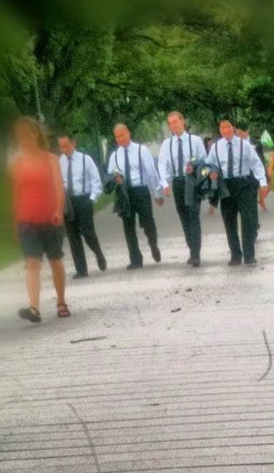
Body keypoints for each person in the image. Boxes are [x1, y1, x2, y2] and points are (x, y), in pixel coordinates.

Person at [10, 117, 69, 323]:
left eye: (26, 134)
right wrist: (16, 221)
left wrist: (58, 210)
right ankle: (34, 307)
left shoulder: (51, 159)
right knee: (32, 263)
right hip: (27, 219)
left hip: (50, 218)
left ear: (35, 134)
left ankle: (61, 302)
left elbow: (59, 188)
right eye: (19, 136)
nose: (23, 139)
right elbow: (16, 193)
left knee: (55, 260)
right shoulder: (17, 163)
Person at [207, 119, 269, 266]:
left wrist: (263, 182)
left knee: (248, 220)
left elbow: (257, 164)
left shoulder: (244, 145)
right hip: (226, 186)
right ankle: (235, 255)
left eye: (228, 126)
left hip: (244, 184)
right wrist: (211, 172)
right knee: (229, 222)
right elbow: (208, 165)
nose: (225, 130)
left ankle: (249, 255)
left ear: (233, 127)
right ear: (220, 130)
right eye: (222, 127)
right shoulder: (216, 147)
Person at [106, 124, 164, 268]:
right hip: (125, 193)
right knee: (128, 227)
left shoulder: (141, 150)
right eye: (117, 137)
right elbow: (111, 172)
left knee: (147, 222)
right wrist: (116, 177)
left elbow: (151, 172)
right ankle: (135, 259)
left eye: (122, 135)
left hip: (141, 191)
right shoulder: (115, 155)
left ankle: (153, 245)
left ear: (128, 134)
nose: (120, 139)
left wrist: (156, 193)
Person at [158, 111, 208, 266]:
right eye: (170, 123)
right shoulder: (167, 144)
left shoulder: (195, 141)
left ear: (182, 122)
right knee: (184, 216)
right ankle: (192, 248)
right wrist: (165, 184)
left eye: (175, 121)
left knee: (193, 215)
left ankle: (195, 254)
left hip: (192, 181)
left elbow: (205, 162)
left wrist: (198, 173)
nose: (173, 125)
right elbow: (162, 164)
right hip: (178, 181)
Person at [57, 133, 106, 277]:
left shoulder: (86, 160)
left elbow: (96, 182)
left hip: (83, 199)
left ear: (73, 143)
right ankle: (81, 269)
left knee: (88, 232)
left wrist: (92, 198)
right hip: (68, 202)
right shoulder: (60, 161)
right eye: (61, 147)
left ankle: (98, 253)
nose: (64, 149)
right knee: (73, 236)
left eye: (67, 146)